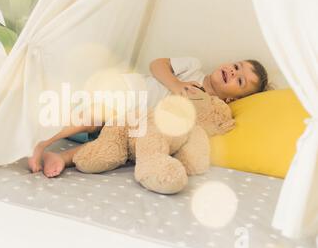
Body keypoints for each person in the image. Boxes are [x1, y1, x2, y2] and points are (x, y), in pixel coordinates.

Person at [28, 57, 269, 177]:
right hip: (131, 93)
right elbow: (157, 65)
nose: (233, 72)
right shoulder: (193, 67)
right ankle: (45, 140)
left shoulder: (208, 109)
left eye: (240, 80)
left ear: (232, 100)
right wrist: (176, 85)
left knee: (111, 149)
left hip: (134, 125)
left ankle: (62, 157)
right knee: (95, 116)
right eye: (236, 66)